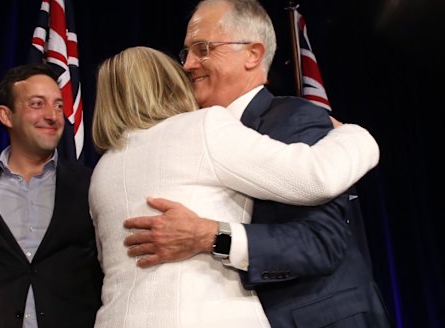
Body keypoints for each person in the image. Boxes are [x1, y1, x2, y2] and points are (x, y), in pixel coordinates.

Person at [123, 1, 394, 327]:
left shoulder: (295, 119)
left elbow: (321, 244)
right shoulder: (190, 135)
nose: (189, 64)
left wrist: (211, 237)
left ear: (252, 54)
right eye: (187, 53)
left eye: (204, 48)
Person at [0, 63, 103, 328]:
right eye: (37, 104)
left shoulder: (90, 183)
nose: (52, 116)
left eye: (58, 106)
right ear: (6, 116)